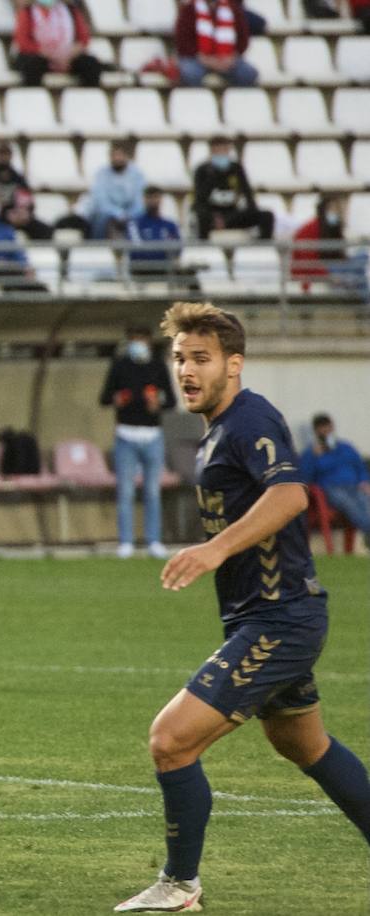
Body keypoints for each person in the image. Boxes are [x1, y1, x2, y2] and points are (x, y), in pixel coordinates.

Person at [114, 301, 370, 912]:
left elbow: (290, 496)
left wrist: (212, 550)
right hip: (269, 616)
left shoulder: (249, 419)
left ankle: (179, 885)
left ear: (235, 364)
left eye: (201, 358)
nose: (187, 371)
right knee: (304, 745)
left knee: (170, 740)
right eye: (180, 358)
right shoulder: (214, 433)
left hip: (280, 621)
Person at [99, 325, 176, 559]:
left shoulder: (157, 366)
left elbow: (171, 400)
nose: (138, 344)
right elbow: (104, 398)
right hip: (126, 435)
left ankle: (154, 540)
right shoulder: (120, 365)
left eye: (141, 340)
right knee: (126, 491)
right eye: (134, 340)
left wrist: (158, 403)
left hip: (152, 435)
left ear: (149, 342)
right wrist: (118, 399)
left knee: (152, 491)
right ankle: (126, 542)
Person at [299, 413, 370, 545]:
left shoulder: (346, 447)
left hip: (354, 486)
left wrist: (365, 481)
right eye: (322, 429)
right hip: (331, 489)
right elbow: (306, 478)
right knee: (349, 504)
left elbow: (360, 467)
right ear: (316, 431)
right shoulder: (310, 453)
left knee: (365, 501)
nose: (326, 432)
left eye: (328, 428)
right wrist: (314, 458)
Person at [290, 194, 369, 303]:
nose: (336, 213)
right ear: (323, 210)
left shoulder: (333, 228)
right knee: (359, 273)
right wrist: (328, 276)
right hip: (321, 269)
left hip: (333, 266)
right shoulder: (310, 229)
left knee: (362, 256)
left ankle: (353, 290)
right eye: (332, 209)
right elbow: (307, 263)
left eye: (337, 209)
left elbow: (340, 255)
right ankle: (363, 305)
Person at [192, 137, 273, 240]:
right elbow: (199, 201)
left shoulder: (236, 169)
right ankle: (204, 248)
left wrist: (229, 219)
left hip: (232, 215)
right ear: (211, 152)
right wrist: (214, 217)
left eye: (224, 150)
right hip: (211, 216)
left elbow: (248, 196)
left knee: (266, 216)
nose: (222, 153)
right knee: (201, 218)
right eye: (218, 150)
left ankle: (263, 248)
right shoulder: (202, 170)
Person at [12, 0, 102, 88]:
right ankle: (34, 99)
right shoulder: (28, 12)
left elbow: (83, 39)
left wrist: (69, 54)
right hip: (40, 56)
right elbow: (23, 41)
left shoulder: (71, 11)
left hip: (68, 56)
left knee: (90, 65)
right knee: (32, 66)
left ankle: (86, 99)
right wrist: (50, 54)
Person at [174, 0, 259, 87]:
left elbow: (242, 39)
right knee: (191, 74)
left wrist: (232, 57)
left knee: (247, 73)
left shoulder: (233, 9)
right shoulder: (189, 10)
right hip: (197, 58)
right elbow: (183, 41)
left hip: (227, 59)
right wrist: (204, 58)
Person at [90, 140, 146, 240]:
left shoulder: (137, 174)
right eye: (114, 155)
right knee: (99, 217)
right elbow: (101, 201)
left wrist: (128, 215)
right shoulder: (101, 174)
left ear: (126, 156)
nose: (117, 158)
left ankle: (138, 250)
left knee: (140, 217)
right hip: (109, 214)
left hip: (131, 213)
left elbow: (140, 200)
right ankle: (100, 247)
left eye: (120, 155)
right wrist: (118, 213)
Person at [126, 185, 183, 277]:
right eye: (149, 197)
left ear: (161, 199)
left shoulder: (169, 225)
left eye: (156, 197)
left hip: (166, 268)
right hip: (142, 270)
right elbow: (135, 251)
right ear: (144, 199)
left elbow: (177, 249)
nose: (153, 201)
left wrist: (155, 249)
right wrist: (161, 250)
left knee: (189, 276)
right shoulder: (135, 224)